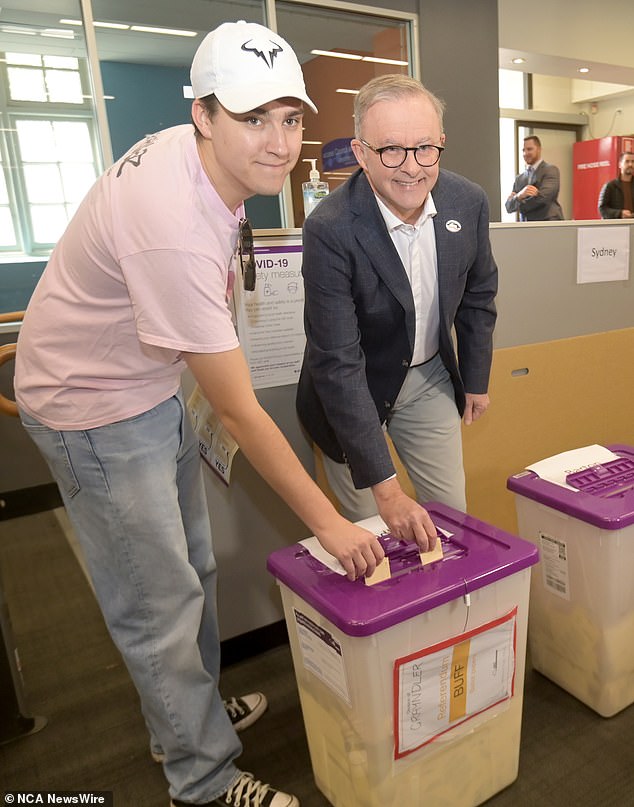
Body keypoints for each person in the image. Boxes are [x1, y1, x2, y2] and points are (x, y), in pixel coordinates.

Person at [13, 20, 387, 807]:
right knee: (157, 602)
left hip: (146, 385)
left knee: (195, 567)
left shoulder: (199, 164)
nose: (280, 143)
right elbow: (243, 413)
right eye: (255, 119)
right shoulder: (174, 225)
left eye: (290, 118)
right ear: (205, 115)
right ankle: (202, 777)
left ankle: (187, 717)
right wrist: (333, 524)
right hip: (93, 409)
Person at [296, 74, 497, 539]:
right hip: (352, 391)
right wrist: (387, 493)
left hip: (429, 379)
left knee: (451, 521)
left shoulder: (467, 202)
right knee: (374, 534)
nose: (410, 167)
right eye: (390, 150)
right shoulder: (331, 228)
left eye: (424, 148)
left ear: (441, 144)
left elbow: (479, 294)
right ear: (361, 153)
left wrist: (477, 378)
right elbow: (338, 363)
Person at [505, 135, 564, 221]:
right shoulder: (519, 178)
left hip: (548, 223)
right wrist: (520, 195)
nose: (525, 153)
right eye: (523, 150)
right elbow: (508, 207)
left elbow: (543, 198)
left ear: (539, 149)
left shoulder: (551, 170)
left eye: (529, 149)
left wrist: (519, 201)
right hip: (527, 227)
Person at [598, 151, 634, 218]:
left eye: (633, 161)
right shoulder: (610, 186)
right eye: (627, 161)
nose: (630, 164)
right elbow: (602, 209)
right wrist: (620, 213)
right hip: (618, 226)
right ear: (620, 165)